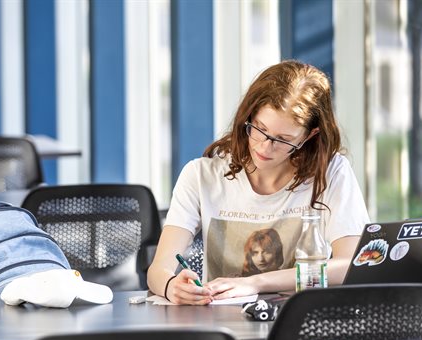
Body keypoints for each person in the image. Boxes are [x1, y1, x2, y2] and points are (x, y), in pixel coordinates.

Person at [148, 60, 369, 305]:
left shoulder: (330, 172)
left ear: (310, 135)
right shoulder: (201, 175)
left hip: (300, 319)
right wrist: (171, 287)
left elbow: (350, 264)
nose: (265, 147)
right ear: (249, 115)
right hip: (222, 324)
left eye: (283, 139)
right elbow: (158, 271)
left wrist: (254, 282)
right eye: (260, 129)